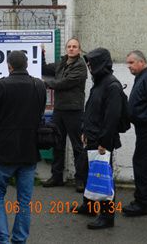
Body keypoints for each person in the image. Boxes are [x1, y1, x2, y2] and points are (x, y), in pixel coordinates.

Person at [0, 51, 46, 244]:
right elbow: (39, 112)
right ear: (26, 64)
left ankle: (1, 239)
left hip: (4, 150)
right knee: (24, 201)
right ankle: (19, 239)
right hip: (29, 149)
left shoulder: (1, 85)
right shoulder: (39, 85)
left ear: (9, 66)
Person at [78, 47, 122, 229]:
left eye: (91, 63)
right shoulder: (100, 82)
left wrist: (104, 142)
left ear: (101, 63)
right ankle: (89, 206)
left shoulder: (112, 85)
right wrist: (84, 131)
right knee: (90, 173)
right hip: (92, 137)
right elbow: (91, 110)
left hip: (102, 142)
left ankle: (107, 216)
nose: (89, 66)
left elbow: (112, 118)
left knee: (103, 178)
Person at [42, 38, 88, 192]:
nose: (71, 49)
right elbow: (45, 69)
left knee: (77, 146)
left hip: (74, 110)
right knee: (57, 143)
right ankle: (56, 177)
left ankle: (80, 179)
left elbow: (65, 82)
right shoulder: (62, 63)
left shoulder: (81, 66)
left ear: (79, 50)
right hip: (59, 109)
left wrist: (47, 83)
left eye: (74, 46)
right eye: (69, 46)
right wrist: (40, 54)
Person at [122, 50, 147, 216]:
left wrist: (145, 118)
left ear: (141, 62)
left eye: (131, 63)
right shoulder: (141, 78)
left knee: (141, 163)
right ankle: (146, 199)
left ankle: (141, 203)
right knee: (145, 164)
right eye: (128, 63)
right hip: (143, 128)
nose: (128, 66)